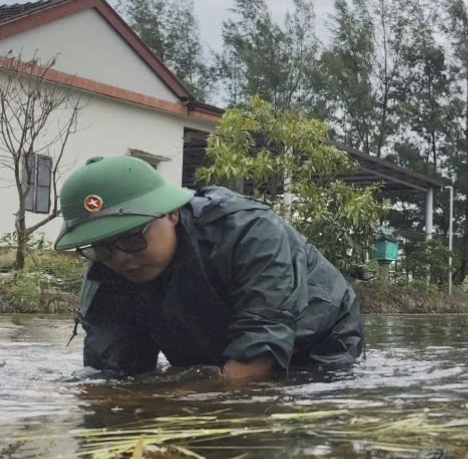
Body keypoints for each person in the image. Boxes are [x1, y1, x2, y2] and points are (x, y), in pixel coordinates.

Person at [54, 155, 364, 381]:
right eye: (101, 246)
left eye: (133, 238)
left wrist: (176, 402)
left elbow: (257, 355)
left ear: (171, 213)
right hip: (209, 334)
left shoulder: (249, 231)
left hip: (316, 339)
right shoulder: (106, 269)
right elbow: (110, 374)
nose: (119, 258)